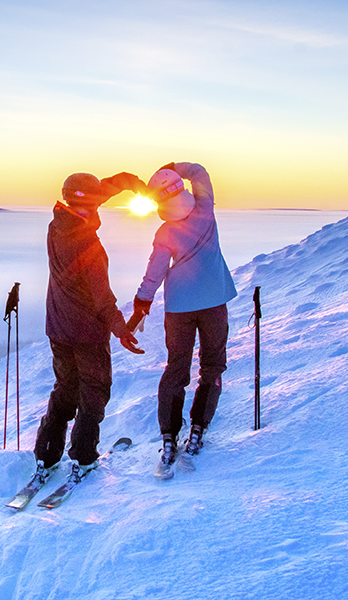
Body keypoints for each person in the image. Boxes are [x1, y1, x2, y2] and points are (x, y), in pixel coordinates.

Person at [32, 171, 146, 487]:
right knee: (93, 393)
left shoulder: (56, 226)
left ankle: (46, 455)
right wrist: (121, 330)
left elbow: (87, 197)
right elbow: (102, 298)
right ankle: (83, 458)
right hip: (87, 334)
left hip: (58, 328)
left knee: (65, 390)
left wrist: (125, 180)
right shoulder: (89, 244)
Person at [128, 162, 238, 474]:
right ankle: (199, 429)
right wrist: (174, 167)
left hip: (179, 308)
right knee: (212, 366)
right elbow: (201, 172)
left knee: (176, 368)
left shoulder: (165, 231)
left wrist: (141, 306)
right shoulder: (205, 209)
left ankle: (168, 435)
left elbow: (155, 272)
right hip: (215, 300)